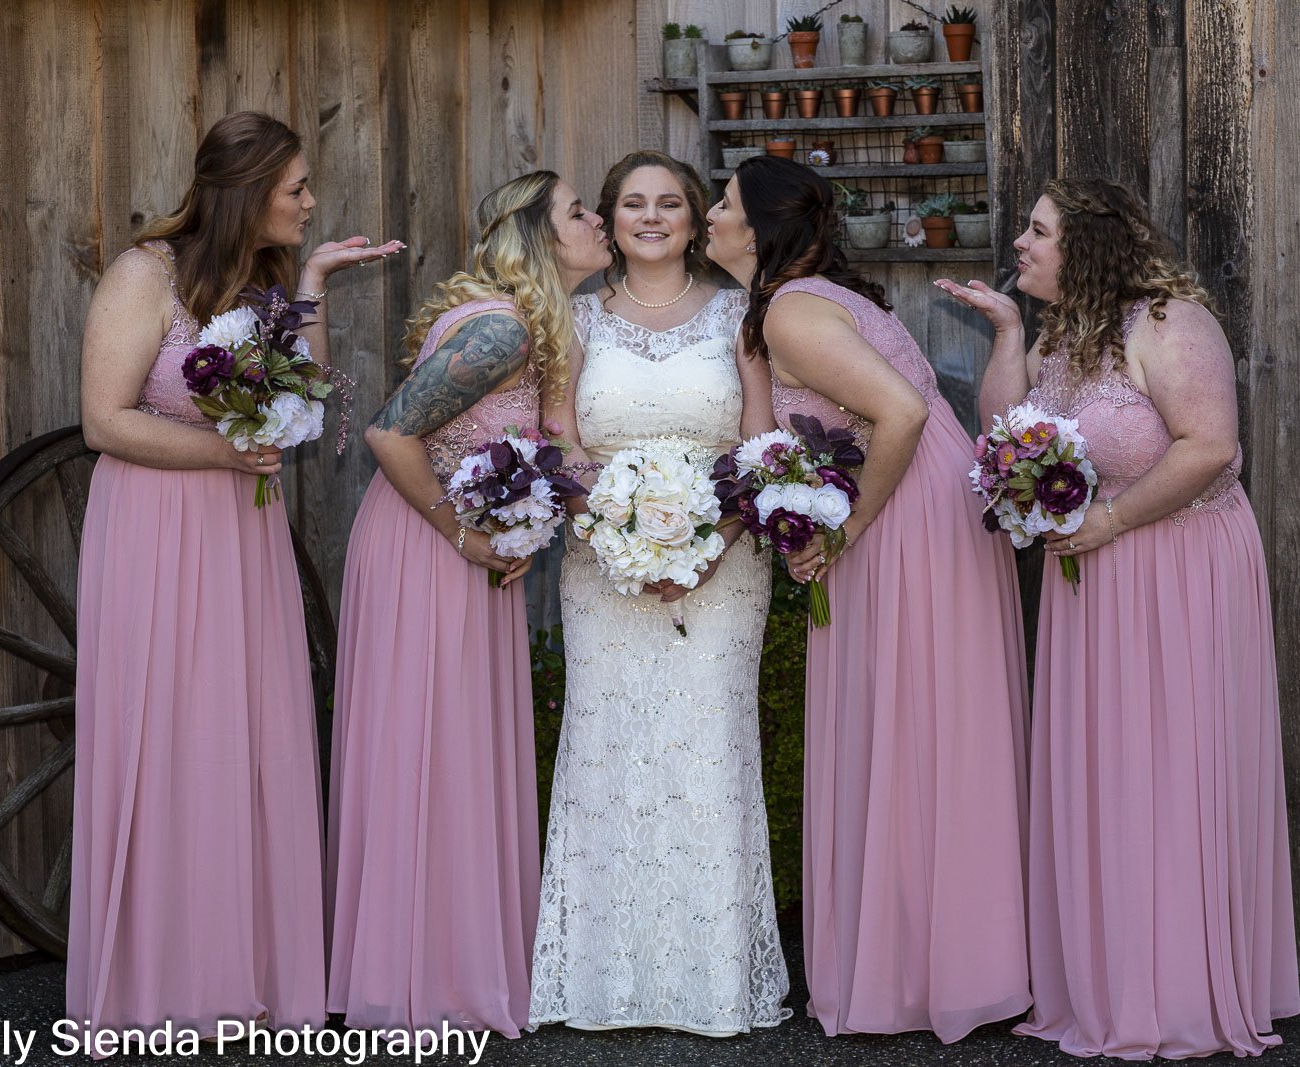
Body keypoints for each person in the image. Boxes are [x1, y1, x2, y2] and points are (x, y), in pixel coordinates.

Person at [942, 176, 1300, 1058]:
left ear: (1089, 245)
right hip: (1094, 584)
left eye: (1038, 231)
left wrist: (1104, 519)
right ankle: (1112, 979)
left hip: (1179, 567)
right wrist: (1007, 332)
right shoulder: (1068, 336)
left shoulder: (1169, 324)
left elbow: (1213, 447)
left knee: (1172, 766)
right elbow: (1005, 430)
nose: (1021, 243)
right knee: (1106, 768)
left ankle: (1178, 989)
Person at [69, 110, 400, 1043]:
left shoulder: (264, 282)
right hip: (155, 529)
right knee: (165, 733)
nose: (306, 202)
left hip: (243, 536)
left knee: (242, 736)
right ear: (250, 189)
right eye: (295, 188)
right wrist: (223, 452)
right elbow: (104, 420)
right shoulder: (148, 274)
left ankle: (243, 971)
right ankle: (155, 983)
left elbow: (307, 402)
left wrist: (319, 282)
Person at [707, 155, 1031, 1042]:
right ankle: (950, 960)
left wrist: (843, 531)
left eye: (723, 202)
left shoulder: (796, 309)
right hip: (919, 506)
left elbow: (903, 412)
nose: (709, 213)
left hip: (901, 515)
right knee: (929, 728)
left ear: (761, 225)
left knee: (908, 724)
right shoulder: (790, 307)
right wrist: (752, 360)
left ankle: (915, 970)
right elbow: (768, 438)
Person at [324, 171, 610, 1038]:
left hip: (471, 549)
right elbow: (387, 433)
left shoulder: (542, 327)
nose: (596, 219)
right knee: (430, 746)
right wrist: (466, 536)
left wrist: (644, 516)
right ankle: (422, 977)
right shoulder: (496, 329)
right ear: (535, 237)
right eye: (578, 212)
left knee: (458, 750)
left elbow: (561, 445)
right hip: (428, 547)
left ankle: (457, 957)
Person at [528, 151, 789, 1037]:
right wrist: (616, 538)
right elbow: (558, 449)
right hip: (603, 567)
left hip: (723, 568)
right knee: (609, 744)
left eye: (670, 202)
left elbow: (759, 450)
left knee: (707, 741)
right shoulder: (573, 319)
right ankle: (601, 978)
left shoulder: (739, 315)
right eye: (632, 203)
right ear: (609, 218)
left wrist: (709, 548)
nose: (651, 217)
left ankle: (711, 984)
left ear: (692, 219)